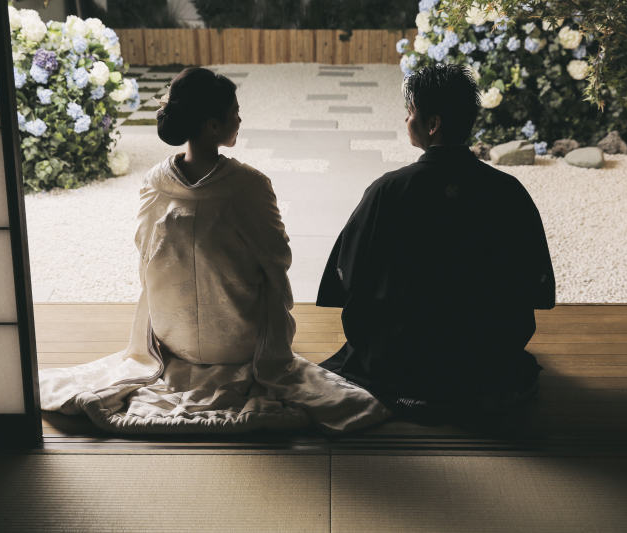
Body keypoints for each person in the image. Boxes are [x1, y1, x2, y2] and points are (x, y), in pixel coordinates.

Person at [39, 68, 391, 434]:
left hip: (172, 336)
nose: (239, 119)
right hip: (239, 343)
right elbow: (277, 258)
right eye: (234, 112)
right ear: (211, 125)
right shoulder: (249, 185)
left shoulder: (154, 182)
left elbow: (146, 255)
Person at [316, 64, 555, 422]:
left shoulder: (389, 189)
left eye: (411, 111)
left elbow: (349, 274)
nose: (406, 119)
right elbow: (531, 282)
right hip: (483, 357)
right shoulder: (508, 191)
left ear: (432, 124)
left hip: (402, 356)